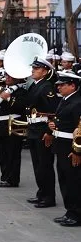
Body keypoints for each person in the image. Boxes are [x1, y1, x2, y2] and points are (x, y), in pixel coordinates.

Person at [11, 57, 59, 208]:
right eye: (33, 68)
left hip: (42, 131)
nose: (33, 70)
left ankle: (48, 197)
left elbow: (52, 112)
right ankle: (41, 193)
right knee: (37, 165)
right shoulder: (35, 86)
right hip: (33, 129)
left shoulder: (47, 87)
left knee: (44, 165)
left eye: (37, 69)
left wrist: (49, 132)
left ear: (45, 72)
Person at [48, 71, 81, 227]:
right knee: (65, 180)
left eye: (62, 85)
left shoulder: (77, 103)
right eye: (58, 84)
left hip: (70, 148)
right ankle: (70, 211)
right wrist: (53, 125)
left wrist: (77, 151)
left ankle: (76, 214)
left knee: (73, 182)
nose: (59, 87)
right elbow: (60, 118)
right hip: (61, 145)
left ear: (73, 86)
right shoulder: (66, 100)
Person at [0, 71, 27, 187]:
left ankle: (12, 179)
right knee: (2, 153)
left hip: (13, 126)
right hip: (0, 125)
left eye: (10, 76)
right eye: (6, 75)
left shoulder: (22, 91)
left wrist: (8, 98)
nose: (7, 78)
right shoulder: (3, 89)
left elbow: (21, 106)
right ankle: (4, 176)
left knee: (12, 153)